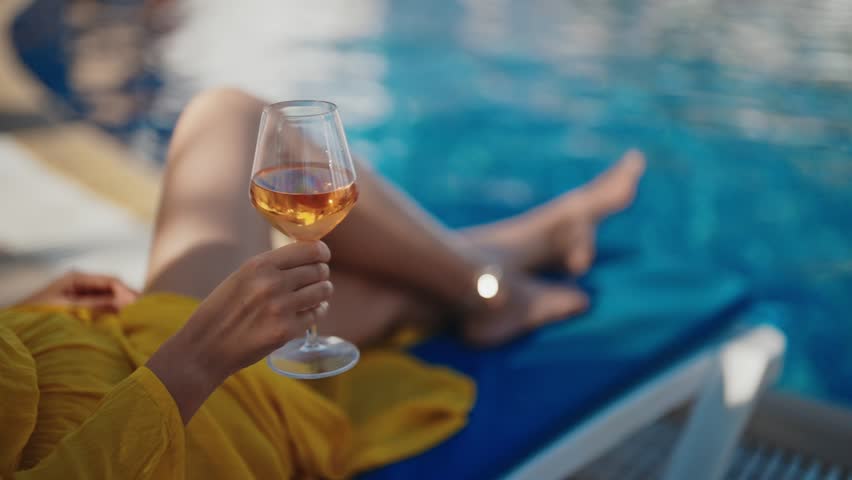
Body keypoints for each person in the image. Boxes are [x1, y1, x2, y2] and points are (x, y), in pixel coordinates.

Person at [0, 88, 644, 479]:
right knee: (231, 117)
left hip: (98, 356)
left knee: (354, 286)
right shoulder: (184, 375)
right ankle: (495, 287)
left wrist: (33, 308)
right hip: (167, 427)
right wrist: (195, 362)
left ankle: (535, 243)